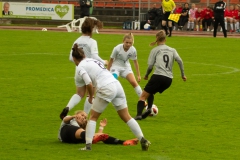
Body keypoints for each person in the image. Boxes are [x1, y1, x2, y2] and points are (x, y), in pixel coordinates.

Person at [70, 43, 150, 151]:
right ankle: (143, 139)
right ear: (83, 55)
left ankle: (88, 146)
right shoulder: (93, 61)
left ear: (74, 58)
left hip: (106, 87)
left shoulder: (80, 67)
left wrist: (91, 96)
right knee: (126, 116)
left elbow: (88, 83)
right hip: (116, 85)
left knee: (93, 117)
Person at [59, 18, 108, 119]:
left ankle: (68, 107)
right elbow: (95, 56)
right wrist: (104, 62)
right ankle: (84, 115)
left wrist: (79, 64)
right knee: (90, 95)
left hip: (79, 70)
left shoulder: (77, 41)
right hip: (91, 70)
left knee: (79, 94)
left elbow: (70, 58)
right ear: (91, 29)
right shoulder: (92, 41)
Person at [134, 30, 187, 120]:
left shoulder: (155, 50)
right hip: (168, 80)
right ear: (165, 39)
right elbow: (180, 61)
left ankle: (139, 115)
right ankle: (149, 108)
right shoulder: (172, 50)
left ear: (156, 39)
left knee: (143, 95)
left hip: (158, 76)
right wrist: (183, 75)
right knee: (151, 92)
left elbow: (150, 66)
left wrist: (146, 75)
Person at [58, 110, 138, 145]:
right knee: (87, 135)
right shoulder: (70, 119)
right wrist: (73, 116)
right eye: (82, 115)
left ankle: (123, 142)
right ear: (77, 114)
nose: (83, 118)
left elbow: (96, 136)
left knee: (92, 136)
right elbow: (64, 119)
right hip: (65, 133)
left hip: (74, 140)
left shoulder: (83, 127)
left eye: (85, 117)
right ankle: (122, 142)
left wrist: (101, 127)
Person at [107, 33, 143, 98]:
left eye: (130, 43)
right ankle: (109, 96)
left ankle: (144, 101)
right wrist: (107, 72)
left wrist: (138, 75)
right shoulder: (117, 48)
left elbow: (135, 62)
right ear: (123, 41)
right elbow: (111, 60)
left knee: (134, 82)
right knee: (113, 80)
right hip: (116, 67)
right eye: (127, 42)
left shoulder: (133, 50)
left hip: (126, 67)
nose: (128, 44)